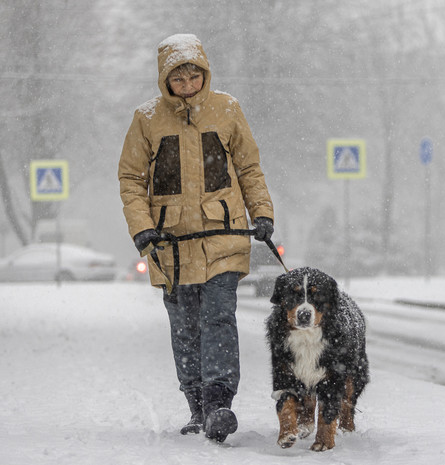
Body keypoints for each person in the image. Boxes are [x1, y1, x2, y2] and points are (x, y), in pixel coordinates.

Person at [118, 34, 275, 442]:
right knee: (186, 328)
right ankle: (197, 406)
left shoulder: (227, 109)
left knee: (218, 318)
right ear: (165, 79)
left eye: (194, 76)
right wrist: (142, 227)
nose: (187, 85)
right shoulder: (147, 119)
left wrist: (262, 213)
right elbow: (131, 179)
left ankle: (219, 402)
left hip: (224, 237)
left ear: (205, 73)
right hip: (170, 245)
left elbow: (249, 168)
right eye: (178, 78)